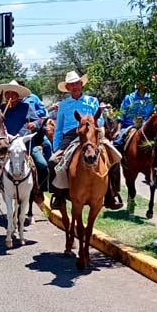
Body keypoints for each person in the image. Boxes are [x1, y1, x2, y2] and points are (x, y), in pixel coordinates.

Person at [49, 71, 122, 210]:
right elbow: (58, 128)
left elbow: (100, 119)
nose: (75, 86)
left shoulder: (92, 101)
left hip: (92, 133)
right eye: (71, 84)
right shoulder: (63, 105)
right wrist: (56, 147)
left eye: (77, 83)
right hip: (70, 135)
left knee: (115, 157)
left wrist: (93, 125)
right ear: (68, 88)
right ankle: (58, 195)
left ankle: (112, 194)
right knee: (52, 161)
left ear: (81, 84)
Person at [0, 79, 44, 206]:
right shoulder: (0, 109)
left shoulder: (26, 107)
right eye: (8, 93)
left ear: (18, 95)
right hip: (6, 145)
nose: (10, 96)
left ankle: (38, 190)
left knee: (41, 164)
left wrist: (34, 124)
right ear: (4, 95)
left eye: (13, 94)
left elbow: (38, 121)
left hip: (24, 143)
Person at [114, 81, 154, 150]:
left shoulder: (151, 99)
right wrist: (118, 130)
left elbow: (152, 114)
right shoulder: (129, 98)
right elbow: (121, 115)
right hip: (129, 126)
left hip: (145, 127)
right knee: (117, 142)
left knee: (156, 145)